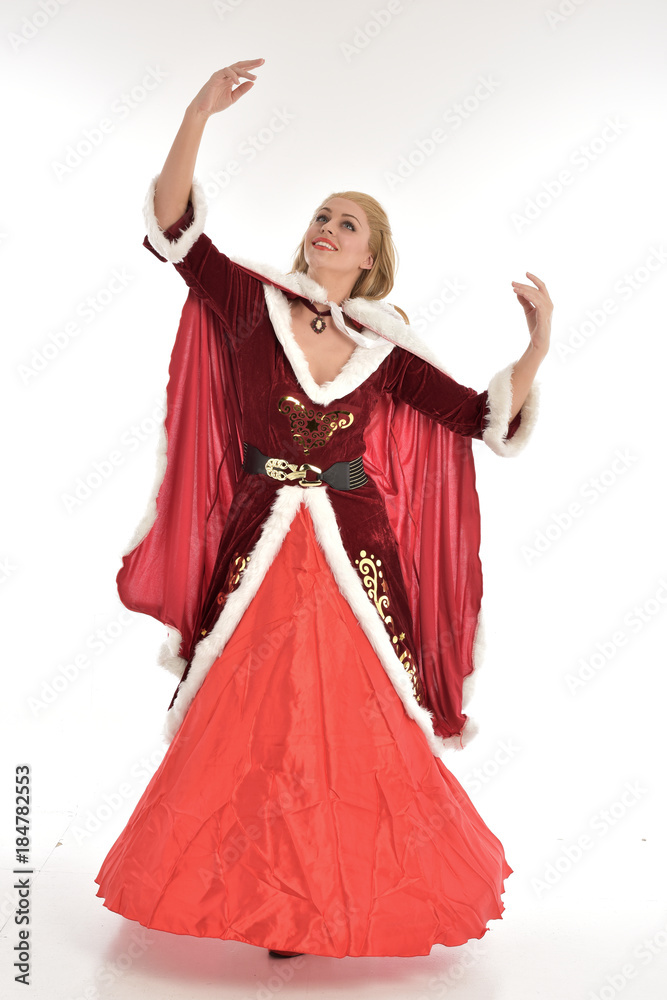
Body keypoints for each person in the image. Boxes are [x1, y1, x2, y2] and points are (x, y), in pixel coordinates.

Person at [94, 59, 552, 961]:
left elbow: (479, 419)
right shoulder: (252, 301)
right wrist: (194, 114)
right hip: (261, 536)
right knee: (249, 712)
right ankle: (267, 897)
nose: (325, 229)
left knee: (352, 719)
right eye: (319, 217)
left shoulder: (388, 346)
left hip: (355, 550)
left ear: (370, 256)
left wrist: (536, 347)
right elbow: (176, 230)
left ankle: (342, 890)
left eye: (346, 223)